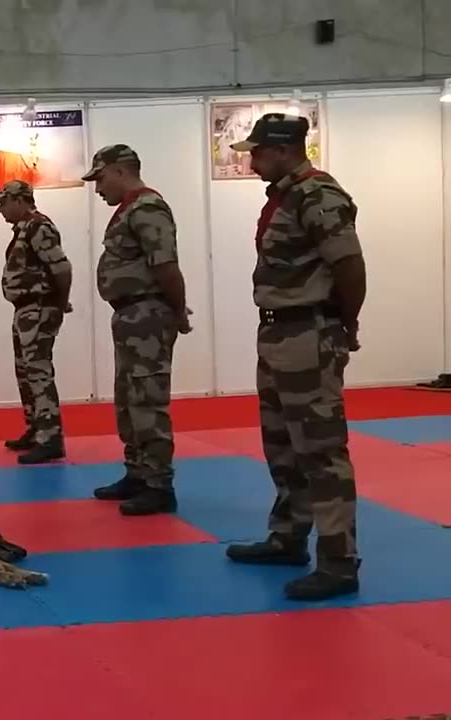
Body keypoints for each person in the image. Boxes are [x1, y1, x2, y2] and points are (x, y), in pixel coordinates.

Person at [223, 113, 366, 601]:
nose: (252, 161)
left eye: (258, 152)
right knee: (282, 444)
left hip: (310, 332)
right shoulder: (284, 196)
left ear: (283, 150)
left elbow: (349, 263)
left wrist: (345, 325)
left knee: (321, 450)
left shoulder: (318, 195)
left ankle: (339, 561)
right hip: (280, 333)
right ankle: (288, 537)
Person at [82, 144, 192, 515]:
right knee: (129, 400)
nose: (98, 189)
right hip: (131, 316)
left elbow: (166, 266)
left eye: (100, 179)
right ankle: (138, 473)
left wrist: (178, 312)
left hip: (147, 315)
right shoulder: (129, 211)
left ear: (119, 171)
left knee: (148, 400)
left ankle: (159, 484)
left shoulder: (148, 209)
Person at [0, 179, 73, 463]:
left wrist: (59, 305)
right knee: (25, 372)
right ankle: (37, 427)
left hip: (38, 309)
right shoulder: (24, 230)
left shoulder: (39, 227)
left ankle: (51, 437)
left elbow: (62, 268)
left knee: (38, 372)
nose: (1, 211)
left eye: (4, 203)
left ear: (20, 200)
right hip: (25, 310)